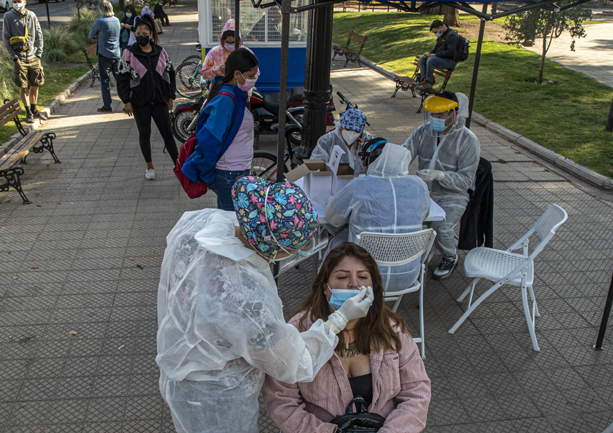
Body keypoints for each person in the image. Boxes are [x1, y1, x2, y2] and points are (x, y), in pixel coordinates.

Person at [157, 176, 376, 433]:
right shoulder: (247, 299)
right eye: (296, 248)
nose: (353, 283)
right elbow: (292, 363)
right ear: (274, 246)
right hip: (214, 397)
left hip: (184, 362)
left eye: (362, 277)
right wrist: (338, 320)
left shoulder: (201, 223)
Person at [263, 243, 431, 433]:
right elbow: (282, 402)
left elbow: (417, 392)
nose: (354, 284)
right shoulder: (298, 330)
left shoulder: (391, 328)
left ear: (373, 289)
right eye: (342, 277)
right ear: (325, 288)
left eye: (362, 277)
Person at [325, 141, 430, 291]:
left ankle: (326, 294)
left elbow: (333, 218)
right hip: (408, 276)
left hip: (362, 279)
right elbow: (425, 215)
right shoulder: (420, 185)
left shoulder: (360, 185)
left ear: (369, 161)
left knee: (337, 240)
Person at [403, 91, 479, 280]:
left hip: (453, 195)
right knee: (404, 218)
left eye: (440, 115)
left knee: (442, 226)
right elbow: (405, 153)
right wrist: (390, 159)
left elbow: (466, 181)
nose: (435, 119)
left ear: (454, 113)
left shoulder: (468, 140)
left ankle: (450, 256)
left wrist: (441, 175)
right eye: (433, 115)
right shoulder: (423, 131)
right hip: (423, 190)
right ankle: (414, 255)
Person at [182, 49, 257, 212]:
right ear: (237, 74)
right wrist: (207, 174)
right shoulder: (226, 100)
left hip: (233, 172)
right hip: (229, 174)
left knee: (226, 224)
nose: (254, 80)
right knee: (231, 226)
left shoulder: (234, 95)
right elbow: (209, 140)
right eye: (251, 76)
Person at [117, 15, 178, 180]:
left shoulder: (161, 52)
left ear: (151, 34)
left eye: (145, 32)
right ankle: (149, 166)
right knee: (144, 133)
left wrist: (171, 95)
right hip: (139, 102)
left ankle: (179, 168)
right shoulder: (129, 53)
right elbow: (122, 78)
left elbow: (170, 74)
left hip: (159, 100)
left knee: (168, 134)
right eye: (138, 33)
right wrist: (126, 101)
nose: (141, 35)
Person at [3, 0, 45, 124]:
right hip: (19, 58)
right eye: (14, 1)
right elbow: (6, 38)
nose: (17, 3)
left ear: (25, 2)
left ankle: (34, 108)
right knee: (23, 86)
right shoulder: (8, 16)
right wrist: (14, 57)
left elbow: (39, 35)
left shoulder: (31, 15)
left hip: (33, 57)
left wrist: (38, 54)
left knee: (35, 84)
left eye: (19, 1)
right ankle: (28, 112)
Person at [310, 108, 373, 176]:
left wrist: (361, 152)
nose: (352, 133)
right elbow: (315, 164)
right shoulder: (327, 140)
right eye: (348, 129)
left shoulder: (368, 140)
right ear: (341, 126)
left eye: (356, 132)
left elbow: (375, 168)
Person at [88, 0, 120, 113]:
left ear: (101, 9)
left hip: (104, 54)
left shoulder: (100, 21)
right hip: (116, 54)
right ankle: (127, 100)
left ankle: (107, 105)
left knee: (105, 81)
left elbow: (91, 35)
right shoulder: (116, 20)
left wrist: (98, 35)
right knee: (120, 80)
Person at [416, 19, 459, 91]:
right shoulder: (441, 36)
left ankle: (428, 83)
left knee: (431, 60)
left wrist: (435, 55)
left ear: (441, 27)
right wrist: (429, 54)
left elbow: (450, 52)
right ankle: (423, 80)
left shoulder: (452, 36)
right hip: (441, 58)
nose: (436, 34)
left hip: (450, 60)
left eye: (436, 32)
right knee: (422, 58)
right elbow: (436, 48)